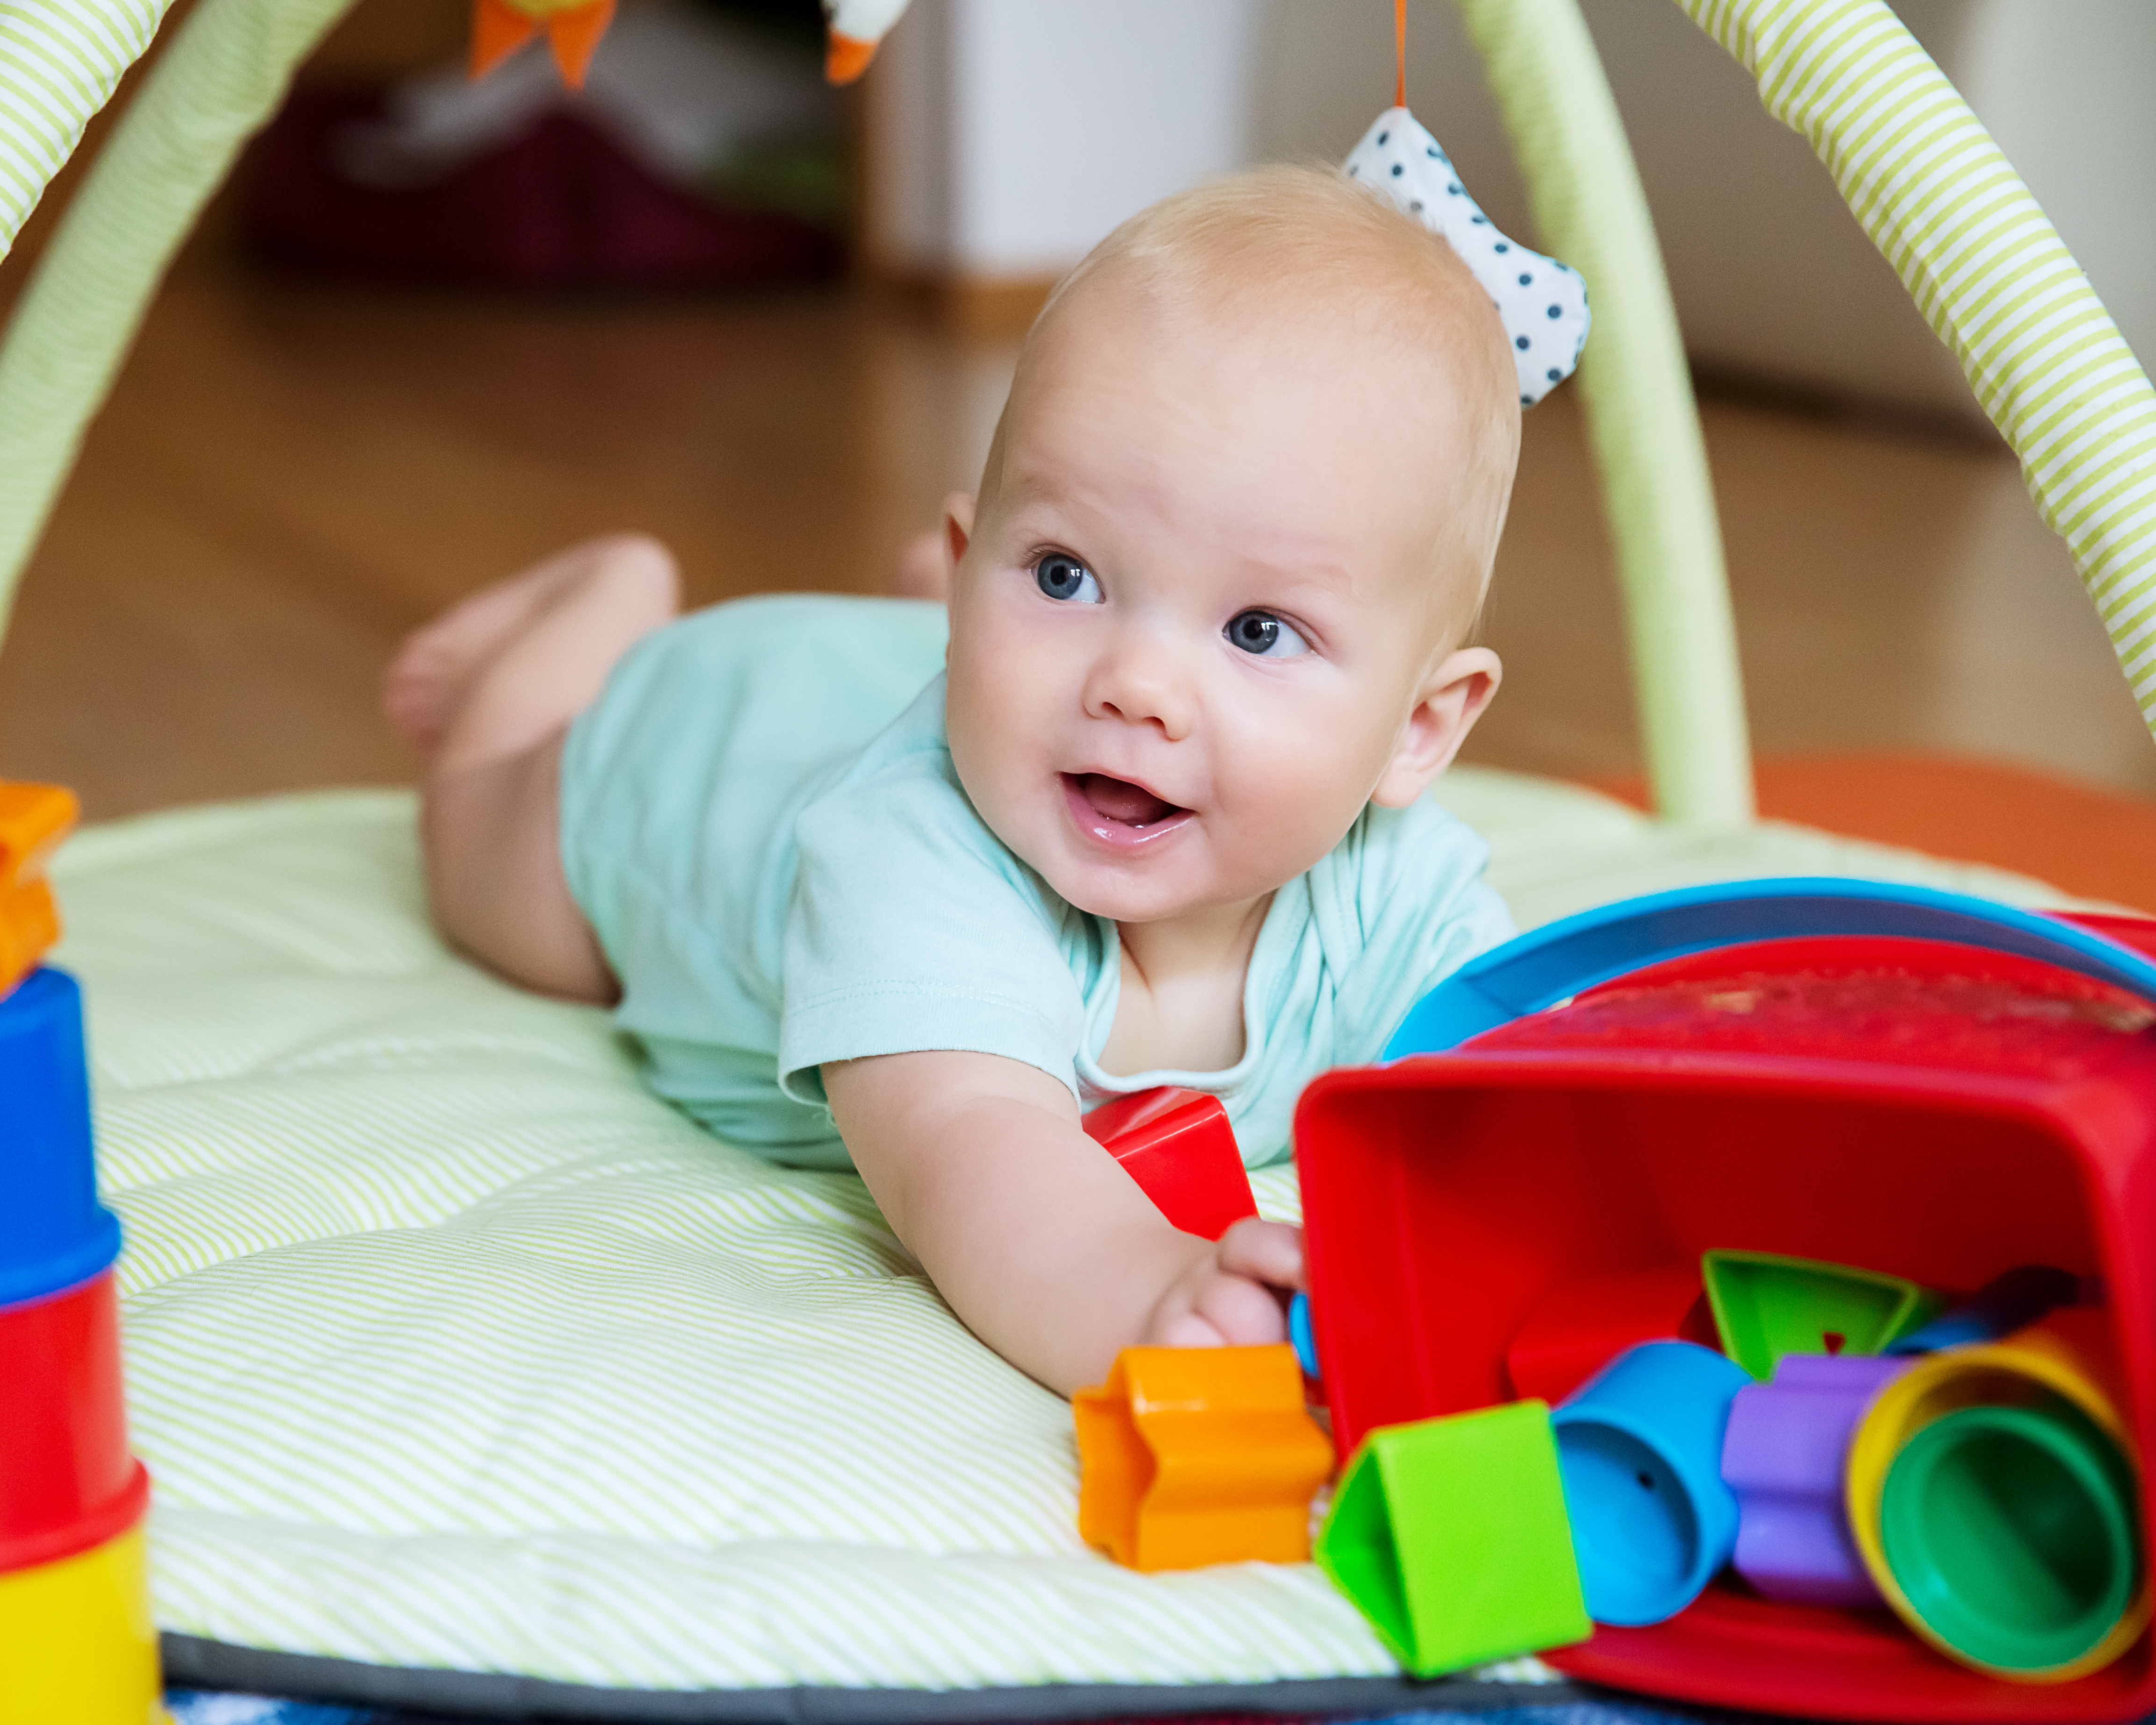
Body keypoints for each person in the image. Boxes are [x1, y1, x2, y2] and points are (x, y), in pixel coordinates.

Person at [385, 163, 1521, 1395]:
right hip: (684, 754)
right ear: (977, 554)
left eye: (1257, 631)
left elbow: (1527, 1090)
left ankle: (958, 607)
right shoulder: (903, 860)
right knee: (488, 882)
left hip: (894, 674)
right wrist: (1148, 1295)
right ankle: (599, 598)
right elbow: (973, 1150)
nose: (1137, 684)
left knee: (1020, 690)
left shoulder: (1397, 896)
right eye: (1062, 570)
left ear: (1417, 727)